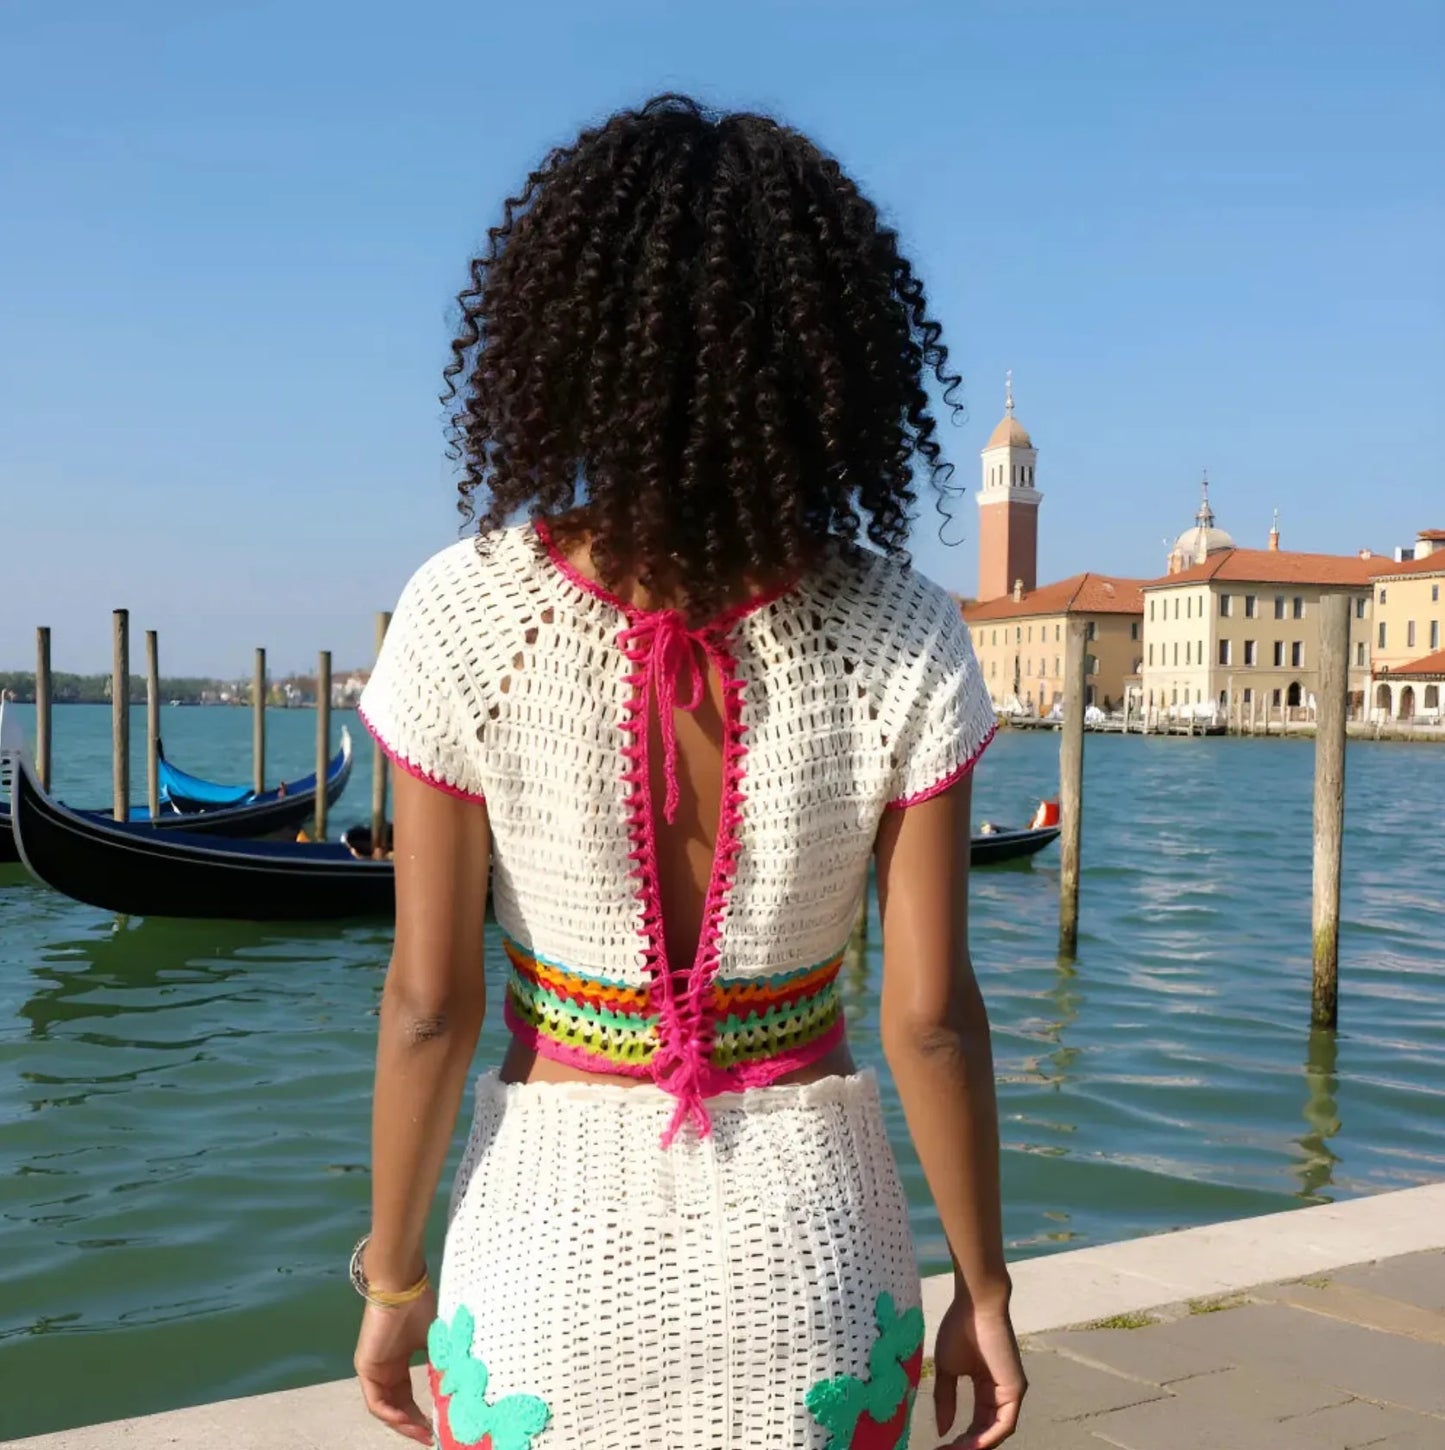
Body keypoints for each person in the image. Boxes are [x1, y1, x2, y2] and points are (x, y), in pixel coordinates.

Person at [352, 94, 1024, 1450]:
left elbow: (430, 1006)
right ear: (835, 360)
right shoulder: (899, 629)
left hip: (542, 1280)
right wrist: (984, 1285)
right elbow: (930, 1017)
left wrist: (394, 1274)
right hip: (817, 1274)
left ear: (563, 347)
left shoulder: (464, 612)